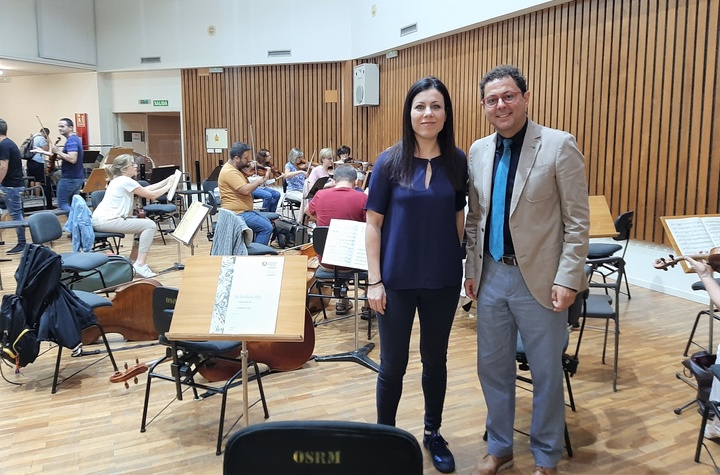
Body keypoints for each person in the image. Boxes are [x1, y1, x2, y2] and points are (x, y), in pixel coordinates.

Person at [463, 65, 589, 475]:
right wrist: (471, 268)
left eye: (508, 96)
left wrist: (569, 279)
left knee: (547, 372)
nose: (501, 105)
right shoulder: (479, 150)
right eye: (492, 99)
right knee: (492, 367)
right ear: (484, 106)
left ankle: (547, 456)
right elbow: (474, 219)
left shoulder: (558, 145)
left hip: (542, 280)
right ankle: (500, 446)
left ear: (525, 96)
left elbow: (577, 222)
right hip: (492, 275)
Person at [365, 76, 468, 474]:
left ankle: (432, 432)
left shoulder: (458, 161)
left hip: (442, 280)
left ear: (446, 114)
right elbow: (373, 225)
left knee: (435, 361)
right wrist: (375, 280)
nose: (428, 113)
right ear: (409, 114)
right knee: (393, 364)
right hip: (396, 281)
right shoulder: (389, 161)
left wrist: (452, 254)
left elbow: (458, 216)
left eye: (436, 106)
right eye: (420, 106)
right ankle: (384, 436)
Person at [92, 153, 174, 278]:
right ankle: (140, 265)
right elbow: (151, 195)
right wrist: (169, 186)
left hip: (101, 220)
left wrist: (166, 181)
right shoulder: (125, 180)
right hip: (106, 221)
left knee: (142, 224)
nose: (136, 166)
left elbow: (147, 189)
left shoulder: (121, 180)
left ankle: (133, 261)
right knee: (150, 225)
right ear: (124, 169)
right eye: (132, 164)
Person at [306, 164, 367, 316]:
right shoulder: (362, 198)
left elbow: (307, 211)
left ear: (333, 181)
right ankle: (368, 304)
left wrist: (320, 219)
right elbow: (370, 226)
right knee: (372, 257)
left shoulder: (320, 195)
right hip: (354, 263)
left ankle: (343, 301)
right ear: (356, 182)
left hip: (326, 262)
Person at [218, 141, 275, 245]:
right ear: (236, 158)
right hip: (237, 213)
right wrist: (259, 181)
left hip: (243, 211)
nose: (248, 161)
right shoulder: (229, 172)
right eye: (246, 158)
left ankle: (252, 248)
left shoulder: (236, 169)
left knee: (268, 222)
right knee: (266, 227)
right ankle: (256, 256)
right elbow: (245, 190)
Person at [33, 118, 85, 211]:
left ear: (70, 127)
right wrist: (45, 152)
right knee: (72, 204)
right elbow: (65, 157)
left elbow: (72, 159)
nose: (60, 128)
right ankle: (76, 223)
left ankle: (80, 219)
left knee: (63, 204)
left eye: (62, 126)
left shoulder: (71, 141)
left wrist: (57, 151)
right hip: (77, 177)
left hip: (70, 178)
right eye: (59, 126)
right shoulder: (75, 139)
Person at [0, 118, 27, 254]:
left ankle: (22, 243)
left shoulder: (4, 145)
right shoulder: (8, 143)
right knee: (11, 212)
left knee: (16, 215)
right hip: (13, 185)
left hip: (11, 186)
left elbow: (3, 167)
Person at [25, 127, 50, 195]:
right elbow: (46, 149)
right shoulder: (41, 138)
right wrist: (48, 142)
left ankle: (31, 195)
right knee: (38, 180)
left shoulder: (32, 137)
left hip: (30, 160)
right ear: (46, 134)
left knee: (31, 179)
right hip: (38, 161)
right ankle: (38, 196)